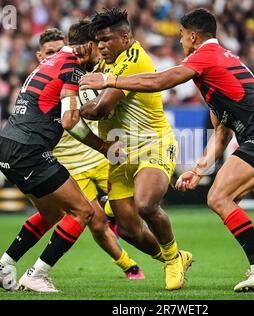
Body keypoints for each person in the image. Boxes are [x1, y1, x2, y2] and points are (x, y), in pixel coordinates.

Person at [80, 8, 254, 292]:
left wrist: (108, 80)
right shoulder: (218, 65)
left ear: (193, 36)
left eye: (181, 36)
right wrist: (198, 169)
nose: (180, 43)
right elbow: (222, 132)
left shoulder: (206, 55)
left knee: (218, 197)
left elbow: (158, 81)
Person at [0, 21, 122, 293]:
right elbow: (70, 121)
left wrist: (102, 147)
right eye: (99, 45)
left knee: (51, 212)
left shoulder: (53, 60)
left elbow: (62, 117)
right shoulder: (72, 68)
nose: (102, 51)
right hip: (30, 151)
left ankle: (2, 267)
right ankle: (36, 275)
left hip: (7, 147)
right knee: (83, 211)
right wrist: (92, 112)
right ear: (88, 46)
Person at [77, 8, 192, 291]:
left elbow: (101, 108)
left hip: (153, 144)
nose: (101, 46)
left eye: (106, 39)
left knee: (145, 204)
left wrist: (78, 107)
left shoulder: (134, 60)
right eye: (98, 41)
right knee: (128, 230)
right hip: (120, 154)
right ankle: (174, 257)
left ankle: (172, 259)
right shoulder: (103, 64)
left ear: (126, 37)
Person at [36, 26, 144, 280]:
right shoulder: (38, 83)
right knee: (94, 221)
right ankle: (130, 266)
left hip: (97, 154)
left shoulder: (80, 72)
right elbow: (67, 121)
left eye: (59, 49)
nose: (56, 55)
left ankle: (112, 211)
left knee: (139, 195)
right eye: (49, 52)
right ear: (40, 55)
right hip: (71, 165)